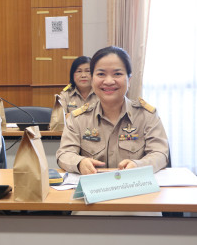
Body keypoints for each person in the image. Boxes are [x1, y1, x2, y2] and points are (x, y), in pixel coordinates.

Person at [56, 46, 169, 175]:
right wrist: (80, 162)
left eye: (117, 74)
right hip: (94, 189)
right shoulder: (78, 119)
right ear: (92, 80)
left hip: (134, 187)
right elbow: (64, 153)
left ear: (129, 79)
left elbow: (160, 153)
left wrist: (139, 165)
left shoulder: (147, 116)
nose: (109, 81)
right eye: (101, 74)